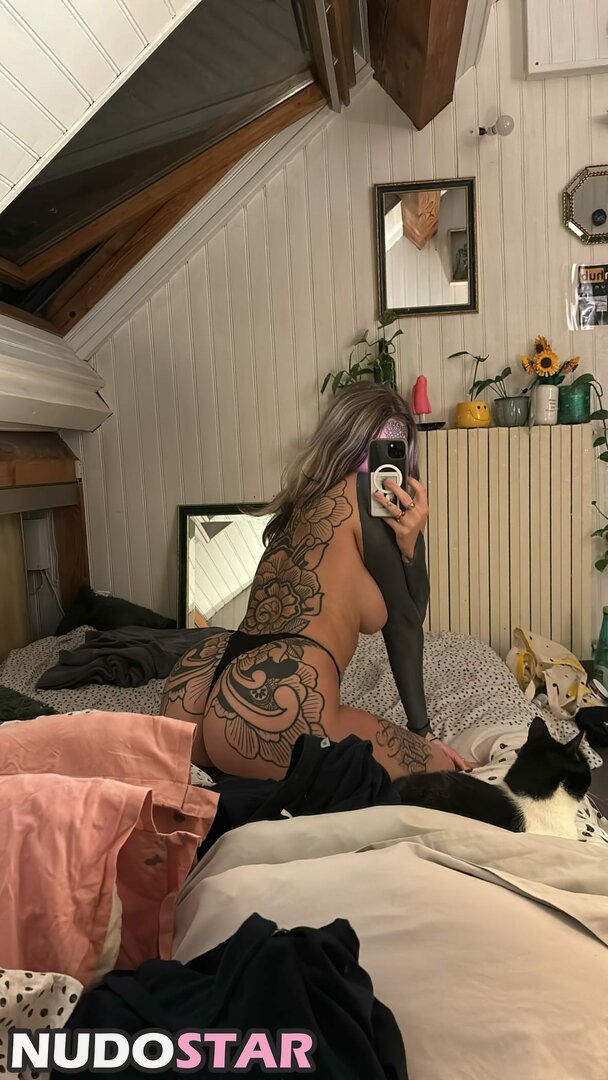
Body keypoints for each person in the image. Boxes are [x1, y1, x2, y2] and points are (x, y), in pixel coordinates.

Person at [161, 383, 471, 780]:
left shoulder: (298, 507)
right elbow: (406, 620)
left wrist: (409, 545)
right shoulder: (367, 497)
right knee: (441, 770)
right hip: (276, 694)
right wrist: (423, 732)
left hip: (199, 679)